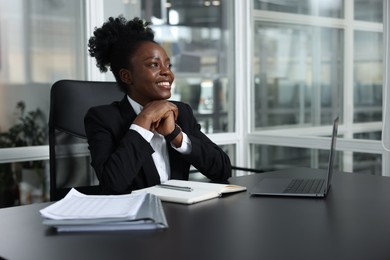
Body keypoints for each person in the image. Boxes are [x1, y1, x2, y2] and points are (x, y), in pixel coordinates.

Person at [85, 16, 231, 195]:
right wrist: (144, 120)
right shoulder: (102, 118)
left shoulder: (181, 112)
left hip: (181, 214)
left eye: (168, 65)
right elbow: (112, 185)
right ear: (126, 76)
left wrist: (176, 136)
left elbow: (223, 170)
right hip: (135, 218)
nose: (166, 72)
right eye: (154, 64)